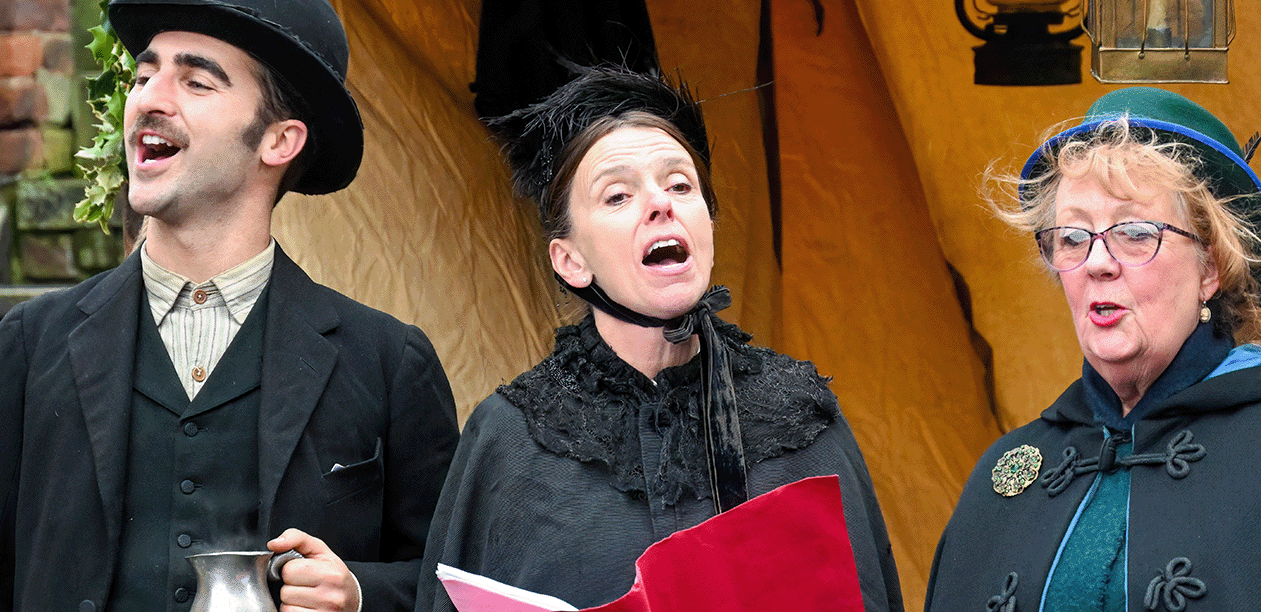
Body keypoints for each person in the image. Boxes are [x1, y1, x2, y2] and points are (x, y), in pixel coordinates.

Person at [0, 0, 460, 611]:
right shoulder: (30, 344)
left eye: (195, 81)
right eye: (143, 76)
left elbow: (455, 585)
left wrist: (359, 594)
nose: (149, 99)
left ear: (278, 140)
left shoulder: (387, 363)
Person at [414, 66, 904, 612]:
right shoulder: (513, 440)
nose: (660, 203)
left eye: (680, 184)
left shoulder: (800, 419)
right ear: (570, 260)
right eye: (618, 195)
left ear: (709, 224)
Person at [925, 87, 1261, 612]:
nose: (1097, 263)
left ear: (1211, 267)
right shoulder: (1010, 469)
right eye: (1072, 237)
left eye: (1134, 232)